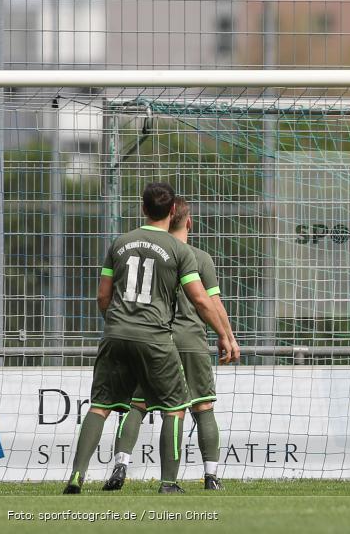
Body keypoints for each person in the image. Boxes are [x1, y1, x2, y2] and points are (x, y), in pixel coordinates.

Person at [63, 182, 236, 494]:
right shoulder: (185, 253)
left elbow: (103, 295)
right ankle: (175, 481)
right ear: (174, 213)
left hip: (116, 333)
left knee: (106, 406)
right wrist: (225, 335)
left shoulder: (119, 243)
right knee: (180, 408)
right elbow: (203, 300)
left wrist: (114, 322)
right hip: (161, 338)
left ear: (142, 208)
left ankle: (81, 476)